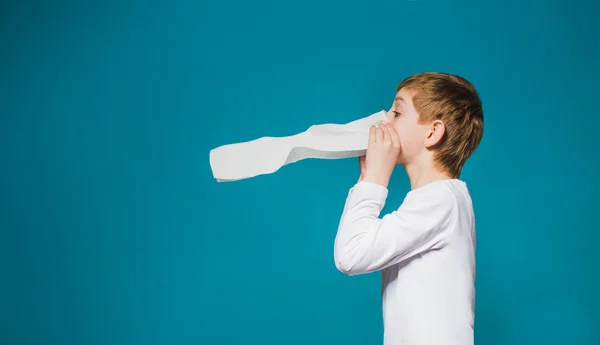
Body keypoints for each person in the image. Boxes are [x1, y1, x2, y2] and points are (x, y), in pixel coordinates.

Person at [333, 72, 484, 345]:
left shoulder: (440, 201)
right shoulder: (440, 199)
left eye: (397, 113)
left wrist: (375, 179)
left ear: (432, 132)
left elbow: (350, 255)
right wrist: (370, 178)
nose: (383, 120)